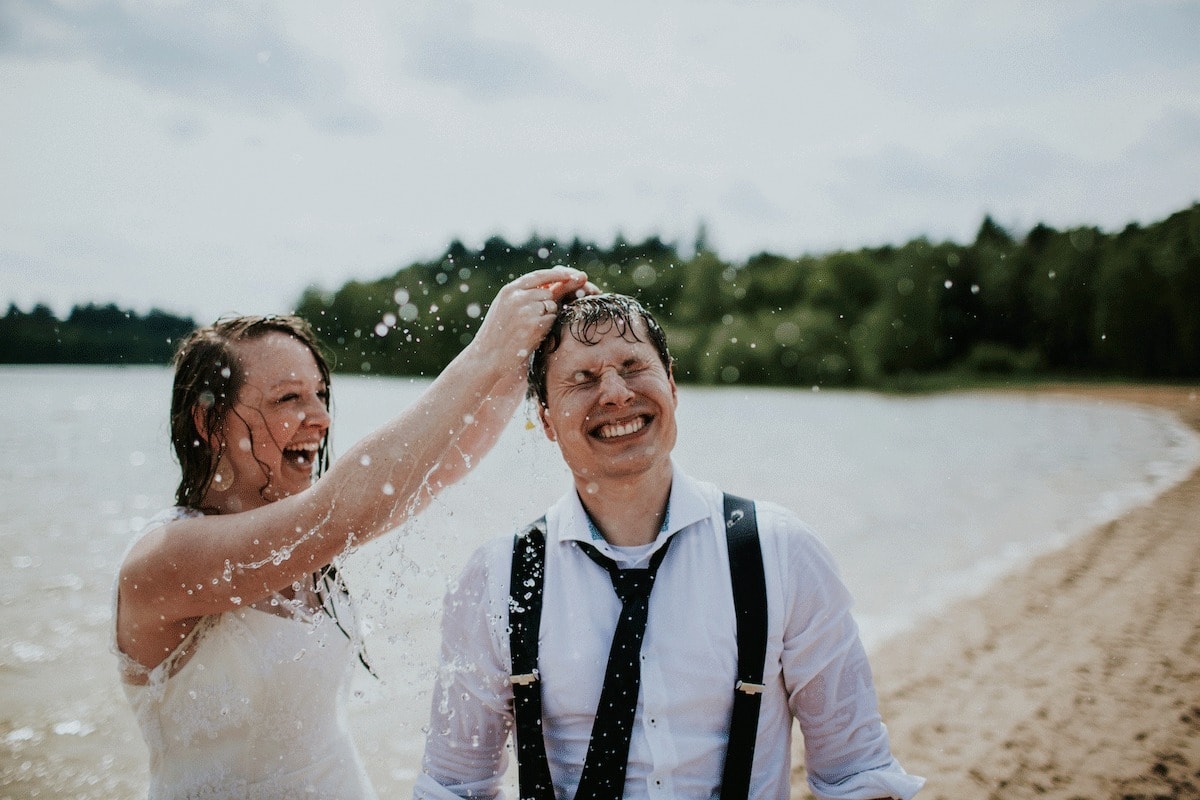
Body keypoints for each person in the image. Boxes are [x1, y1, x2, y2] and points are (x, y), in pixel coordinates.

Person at [415, 293, 924, 800]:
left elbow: (857, 774)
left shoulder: (780, 551)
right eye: (584, 379)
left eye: (633, 367)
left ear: (673, 387)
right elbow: (453, 787)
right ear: (546, 420)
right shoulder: (497, 577)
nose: (615, 394)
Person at [112, 267, 594, 799]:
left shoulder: (310, 533)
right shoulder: (164, 559)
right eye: (286, 398)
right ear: (208, 423)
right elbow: (341, 510)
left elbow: (444, 461)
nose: (318, 416)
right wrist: (484, 350)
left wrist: (520, 355)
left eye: (319, 393)